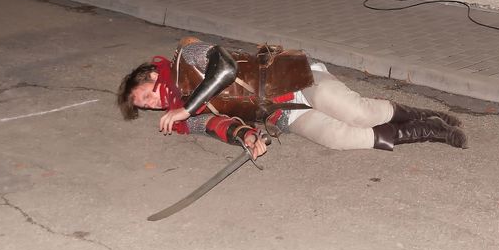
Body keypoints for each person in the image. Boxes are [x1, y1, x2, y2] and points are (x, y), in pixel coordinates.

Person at [117, 37, 467, 159]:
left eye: (145, 94)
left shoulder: (187, 59)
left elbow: (224, 67)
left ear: (152, 76)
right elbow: (215, 125)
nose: (152, 103)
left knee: (357, 113)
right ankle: (430, 130)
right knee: (339, 138)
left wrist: (186, 107)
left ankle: (423, 113)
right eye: (145, 106)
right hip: (282, 114)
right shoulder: (182, 120)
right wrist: (246, 136)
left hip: (296, 79)